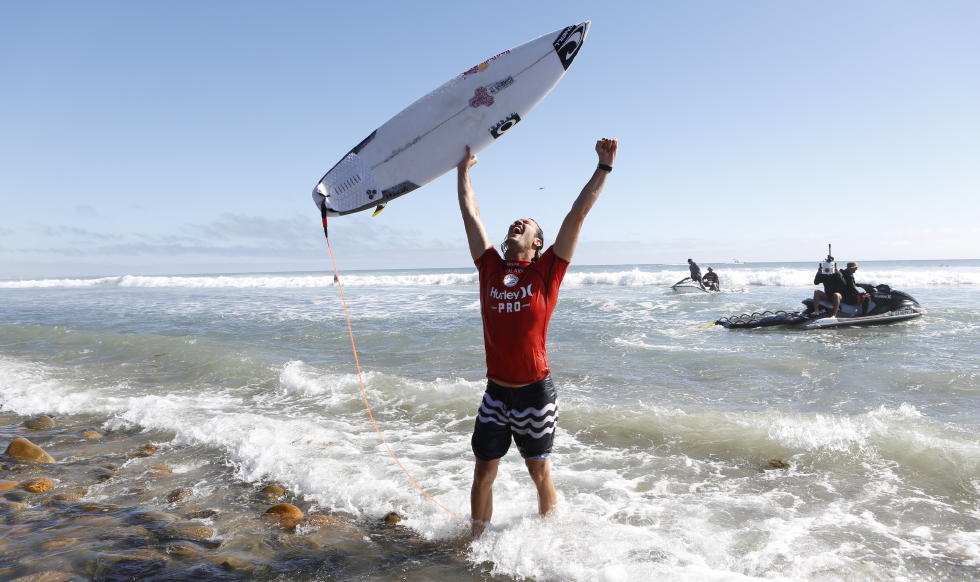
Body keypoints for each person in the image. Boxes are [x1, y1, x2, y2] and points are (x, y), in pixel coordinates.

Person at [457, 138, 618, 538]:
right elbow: (471, 214)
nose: (518, 223)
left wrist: (603, 168)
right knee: (483, 472)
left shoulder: (546, 272)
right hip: (495, 393)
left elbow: (576, 216)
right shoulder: (490, 267)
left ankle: (550, 542)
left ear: (537, 244)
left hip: (534, 393)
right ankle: (476, 543)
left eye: (526, 224)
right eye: (516, 221)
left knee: (538, 470)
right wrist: (463, 172)